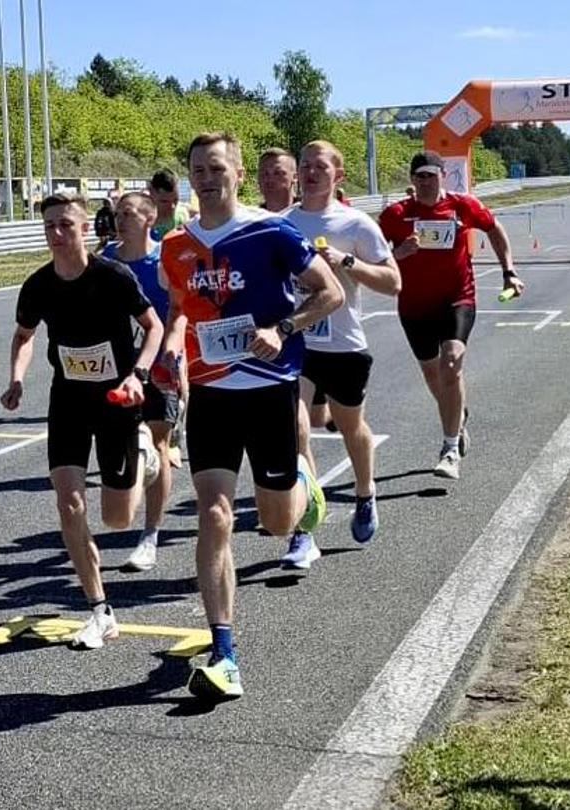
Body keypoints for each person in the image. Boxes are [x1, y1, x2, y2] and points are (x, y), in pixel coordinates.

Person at [158, 133, 343, 700]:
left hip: (269, 389)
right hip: (212, 396)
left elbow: (330, 293)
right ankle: (224, 649)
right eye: (197, 169)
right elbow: (180, 307)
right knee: (214, 516)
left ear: (237, 174)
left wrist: (282, 329)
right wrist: (171, 342)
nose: (206, 178)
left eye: (216, 168)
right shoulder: (175, 246)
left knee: (280, 524)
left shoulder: (272, 232)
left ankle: (302, 484)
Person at [3, 192, 164, 649]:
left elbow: (152, 327)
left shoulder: (113, 276)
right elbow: (23, 336)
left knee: (116, 518)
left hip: (117, 398)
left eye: (65, 225)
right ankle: (99, 609)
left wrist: (139, 374)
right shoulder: (37, 285)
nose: (57, 234)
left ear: (86, 229)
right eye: (50, 226)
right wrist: (16, 378)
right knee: (69, 502)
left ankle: (148, 459)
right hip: (69, 399)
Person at [285, 141, 402, 562]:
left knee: (353, 427)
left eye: (320, 166)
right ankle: (304, 526)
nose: (310, 173)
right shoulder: (283, 222)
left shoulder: (356, 225)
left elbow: (394, 283)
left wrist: (346, 263)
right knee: (295, 429)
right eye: (304, 166)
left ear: (339, 175)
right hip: (296, 341)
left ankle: (366, 492)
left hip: (344, 344)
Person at [378, 151, 523, 479]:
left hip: (457, 300)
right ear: (412, 180)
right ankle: (458, 417)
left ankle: (449, 447)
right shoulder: (395, 214)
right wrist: (396, 253)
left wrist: (509, 272)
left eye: (431, 175)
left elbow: (495, 229)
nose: (425, 181)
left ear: (443, 176)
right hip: (414, 306)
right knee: (434, 377)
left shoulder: (463, 206)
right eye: (419, 176)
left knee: (452, 363)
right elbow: (373, 254)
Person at [102, 192, 182, 571]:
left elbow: (180, 311)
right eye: (118, 213)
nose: (121, 220)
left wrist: (173, 352)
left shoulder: (163, 260)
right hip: (116, 368)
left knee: (160, 442)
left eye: (129, 213)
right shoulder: (105, 262)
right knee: (126, 444)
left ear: (150, 218)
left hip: (159, 366)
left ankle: (150, 534)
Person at [149, 170, 190, 241]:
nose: (172, 206)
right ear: (151, 192)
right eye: (164, 201)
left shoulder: (182, 216)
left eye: (175, 200)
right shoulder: (142, 220)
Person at [258, 147, 298, 213]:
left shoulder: (310, 215)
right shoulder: (251, 220)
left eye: (277, 173)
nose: (270, 179)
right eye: (265, 173)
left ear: (295, 177)